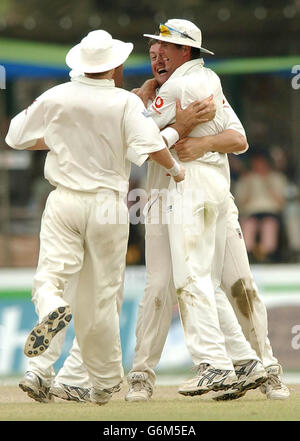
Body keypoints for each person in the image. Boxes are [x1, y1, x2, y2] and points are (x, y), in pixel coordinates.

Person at [5, 29, 187, 406]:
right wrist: (177, 169)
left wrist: (62, 139)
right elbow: (151, 145)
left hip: (64, 200)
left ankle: (40, 368)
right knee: (101, 296)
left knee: (52, 280)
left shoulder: (56, 96)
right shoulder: (123, 103)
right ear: (115, 66)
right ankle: (103, 382)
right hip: (106, 205)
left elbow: (16, 136)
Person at [126, 19, 289, 402]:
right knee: (197, 285)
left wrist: (173, 125)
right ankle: (254, 364)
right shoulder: (205, 81)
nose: (157, 55)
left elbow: (138, 142)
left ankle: (220, 365)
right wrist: (161, 108)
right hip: (191, 195)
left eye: (165, 49)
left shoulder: (181, 86)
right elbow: (236, 138)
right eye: (152, 51)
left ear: (186, 51)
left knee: (194, 280)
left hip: (187, 190)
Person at [234, 151, 288, 263]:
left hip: (270, 211)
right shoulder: (246, 179)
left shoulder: (277, 178)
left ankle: (267, 255)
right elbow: (241, 204)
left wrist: (268, 183)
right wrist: (249, 185)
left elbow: (281, 203)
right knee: (249, 224)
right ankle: (248, 256)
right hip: (251, 212)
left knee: (269, 224)